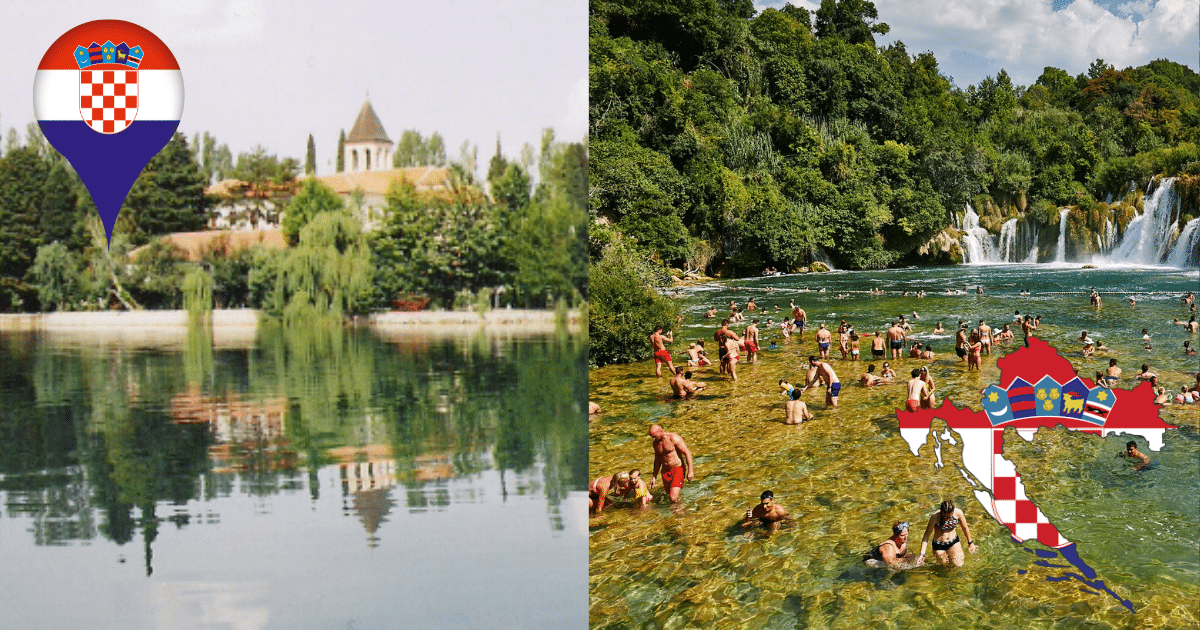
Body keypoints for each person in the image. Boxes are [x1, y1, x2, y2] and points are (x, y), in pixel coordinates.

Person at [918, 499, 978, 567]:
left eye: (949, 516)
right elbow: (926, 535)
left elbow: (965, 528)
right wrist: (922, 554)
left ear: (953, 511)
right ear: (941, 511)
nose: (947, 519)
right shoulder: (935, 517)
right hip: (939, 545)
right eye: (944, 516)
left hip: (953, 542)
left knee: (958, 564)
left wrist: (970, 543)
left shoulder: (958, 513)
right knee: (945, 565)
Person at [649, 424, 694, 503]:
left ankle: (680, 511)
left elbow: (687, 453)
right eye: (652, 436)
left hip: (678, 469)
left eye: (654, 436)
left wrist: (690, 471)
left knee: (672, 498)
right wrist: (654, 476)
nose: (653, 438)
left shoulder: (673, 438)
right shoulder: (655, 443)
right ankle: (680, 511)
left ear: (661, 431)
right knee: (671, 497)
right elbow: (657, 460)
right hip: (665, 471)